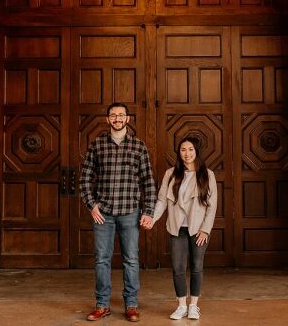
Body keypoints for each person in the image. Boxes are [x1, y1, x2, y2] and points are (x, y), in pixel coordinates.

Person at [79, 102, 156, 322]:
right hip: (103, 213)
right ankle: (102, 305)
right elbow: (84, 178)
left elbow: (148, 181)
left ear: (128, 119)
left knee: (131, 259)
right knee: (102, 259)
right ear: (107, 119)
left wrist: (148, 211)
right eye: (113, 115)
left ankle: (131, 305)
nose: (117, 119)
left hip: (130, 211)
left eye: (121, 115)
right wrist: (91, 205)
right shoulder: (97, 145)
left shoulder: (138, 146)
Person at [147, 136, 218, 320]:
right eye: (183, 150)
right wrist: (153, 219)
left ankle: (193, 305)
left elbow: (212, 205)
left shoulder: (207, 174)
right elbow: (162, 201)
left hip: (198, 230)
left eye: (191, 149)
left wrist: (205, 229)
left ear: (197, 151)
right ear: (179, 153)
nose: (187, 153)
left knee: (196, 267)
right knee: (178, 267)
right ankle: (181, 305)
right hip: (177, 228)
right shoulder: (171, 173)